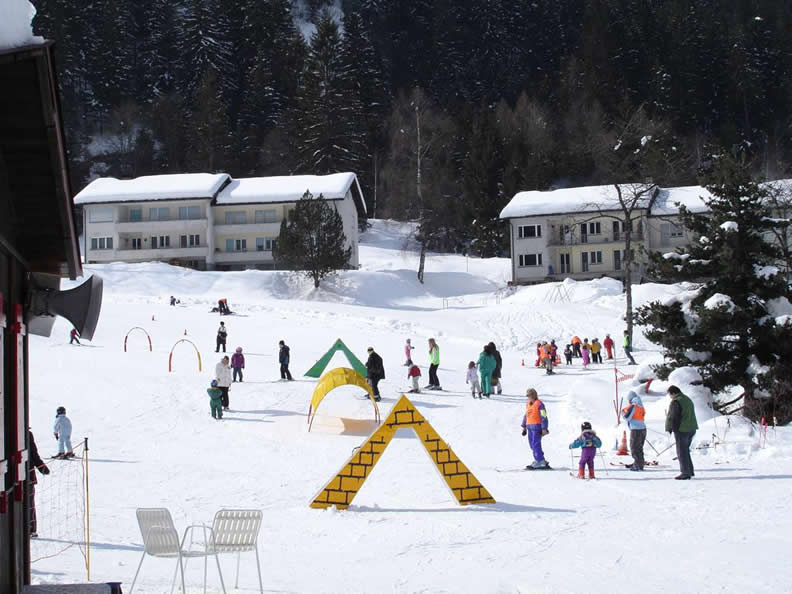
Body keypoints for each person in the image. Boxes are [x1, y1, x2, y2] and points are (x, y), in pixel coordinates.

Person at [665, 385, 698, 479]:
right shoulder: (687, 399)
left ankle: (685, 472)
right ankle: (690, 471)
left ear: (673, 393)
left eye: (670, 394)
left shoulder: (676, 401)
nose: (670, 397)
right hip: (692, 428)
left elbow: (674, 416)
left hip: (682, 429)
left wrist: (671, 429)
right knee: (685, 450)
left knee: (681, 452)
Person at [28, 430, 50, 537]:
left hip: (11, 477)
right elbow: (34, 454)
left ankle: (30, 529)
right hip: (28, 476)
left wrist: (42, 468)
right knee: (29, 502)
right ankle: (31, 529)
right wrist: (42, 468)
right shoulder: (27, 434)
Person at [521, 388, 549, 469]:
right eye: (527, 396)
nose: (528, 397)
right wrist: (524, 427)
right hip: (530, 427)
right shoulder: (528, 404)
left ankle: (539, 461)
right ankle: (540, 459)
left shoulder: (539, 404)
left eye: (529, 395)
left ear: (534, 395)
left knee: (536, 444)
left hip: (537, 427)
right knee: (532, 445)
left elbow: (544, 416)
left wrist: (544, 428)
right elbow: (526, 415)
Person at [622, 391, 646, 471]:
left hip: (636, 430)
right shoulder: (640, 405)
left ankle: (638, 465)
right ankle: (639, 463)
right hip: (643, 429)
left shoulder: (633, 405)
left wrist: (623, 413)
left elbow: (627, 417)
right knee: (639, 448)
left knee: (634, 448)